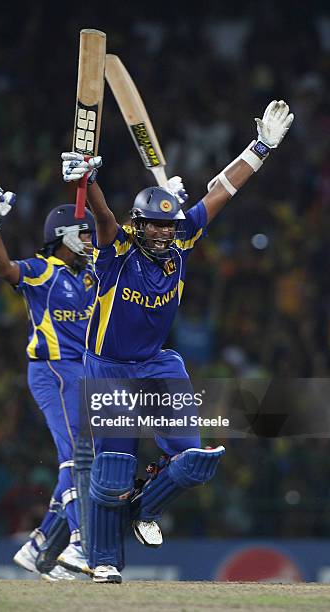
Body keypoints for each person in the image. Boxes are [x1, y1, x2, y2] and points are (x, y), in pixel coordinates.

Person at [61, 100, 294, 583]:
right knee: (112, 474)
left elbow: (222, 191)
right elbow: (103, 217)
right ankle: (103, 562)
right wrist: (85, 182)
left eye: (169, 224)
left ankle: (145, 508)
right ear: (140, 224)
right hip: (107, 368)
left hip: (156, 365)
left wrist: (262, 147)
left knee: (195, 461)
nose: (165, 232)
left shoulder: (183, 237)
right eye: (156, 224)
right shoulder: (117, 250)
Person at [0, 191, 97, 581]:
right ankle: (80, 541)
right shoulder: (43, 270)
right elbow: (4, 269)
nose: (92, 242)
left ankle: (40, 546)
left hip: (85, 373)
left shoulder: (92, 276)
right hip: (53, 371)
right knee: (77, 457)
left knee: (83, 458)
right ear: (66, 236)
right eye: (86, 235)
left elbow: (120, 248)